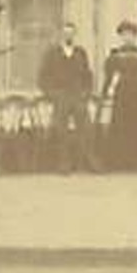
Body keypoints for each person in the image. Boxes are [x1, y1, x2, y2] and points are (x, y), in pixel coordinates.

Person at [38, 21, 98, 173]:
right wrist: (52, 94)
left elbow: (87, 75)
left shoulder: (80, 53)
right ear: (61, 35)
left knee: (86, 129)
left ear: (74, 35)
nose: (68, 36)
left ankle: (88, 161)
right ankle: (63, 163)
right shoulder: (52, 53)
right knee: (61, 131)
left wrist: (86, 92)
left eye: (71, 33)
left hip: (78, 95)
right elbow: (43, 77)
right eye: (65, 33)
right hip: (60, 96)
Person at [100, 19, 137, 170]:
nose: (127, 37)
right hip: (122, 93)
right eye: (124, 35)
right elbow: (109, 75)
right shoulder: (115, 55)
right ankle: (120, 160)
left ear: (135, 36)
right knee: (121, 126)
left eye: (130, 34)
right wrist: (105, 93)